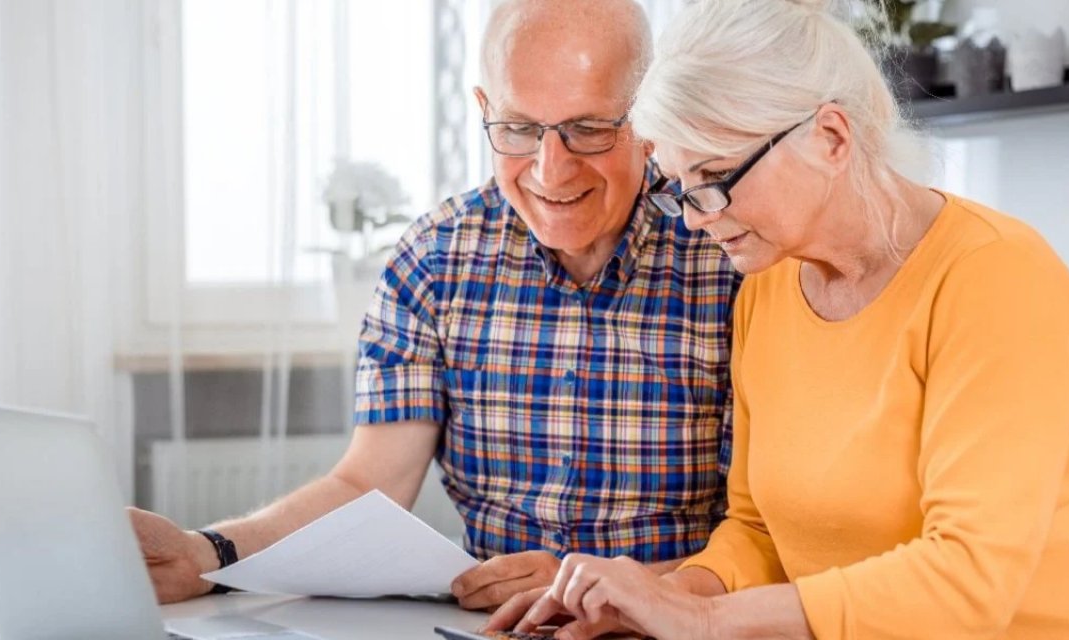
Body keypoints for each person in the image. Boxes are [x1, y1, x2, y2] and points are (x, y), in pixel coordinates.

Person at [487, 0, 1069, 638]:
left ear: (831, 136)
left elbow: (970, 579)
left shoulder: (997, 278)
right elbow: (756, 531)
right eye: (683, 190)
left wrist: (706, 623)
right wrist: (660, 599)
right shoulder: (770, 285)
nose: (696, 219)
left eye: (716, 179)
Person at [128, 0, 740, 613]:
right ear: (484, 111)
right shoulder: (435, 257)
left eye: (588, 129)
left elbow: (768, 537)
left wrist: (602, 589)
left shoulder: (728, 255)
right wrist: (206, 555)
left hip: (674, 622)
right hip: (490, 626)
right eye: (520, 130)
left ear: (651, 118)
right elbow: (369, 483)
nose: (551, 171)